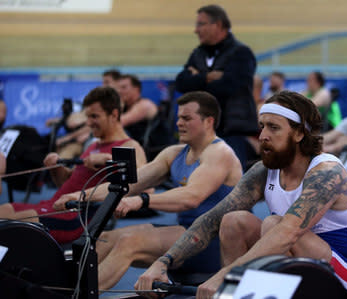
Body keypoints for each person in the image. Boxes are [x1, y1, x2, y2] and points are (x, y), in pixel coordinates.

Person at [136, 91, 347, 299]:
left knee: (274, 225)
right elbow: (211, 220)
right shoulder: (263, 171)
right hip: (306, 266)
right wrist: (162, 262)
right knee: (233, 221)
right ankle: (234, 295)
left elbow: (287, 234)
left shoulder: (327, 173)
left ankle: (233, 286)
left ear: (300, 133)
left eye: (273, 127)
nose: (262, 136)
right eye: (262, 126)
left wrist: (223, 276)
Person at [53, 91, 243, 290]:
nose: (179, 123)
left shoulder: (219, 153)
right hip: (187, 234)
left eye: (186, 118)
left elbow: (191, 197)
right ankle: (61, 289)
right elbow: (130, 184)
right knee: (105, 239)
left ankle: (76, 295)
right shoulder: (174, 153)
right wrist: (81, 195)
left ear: (208, 121)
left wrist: (141, 201)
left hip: (214, 243)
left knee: (130, 243)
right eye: (178, 117)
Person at [0, 87, 147, 244]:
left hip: (76, 217)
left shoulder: (130, 146)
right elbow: (66, 184)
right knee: (5, 209)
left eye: (94, 116)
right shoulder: (94, 144)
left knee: (10, 224)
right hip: (55, 206)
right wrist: (56, 167)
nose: (88, 123)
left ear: (114, 115)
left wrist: (108, 160)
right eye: (87, 116)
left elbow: (143, 184)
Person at [175, 4, 258, 170]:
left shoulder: (241, 53)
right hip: (201, 134)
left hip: (231, 131)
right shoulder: (198, 53)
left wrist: (197, 79)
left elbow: (228, 87)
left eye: (201, 24)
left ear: (218, 25)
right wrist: (207, 77)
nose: (196, 30)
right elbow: (181, 83)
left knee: (232, 186)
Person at [117, 74, 158, 145]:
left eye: (124, 87)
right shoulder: (126, 106)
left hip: (153, 150)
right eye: (118, 88)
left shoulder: (144, 105)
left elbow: (120, 123)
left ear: (136, 89)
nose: (119, 91)